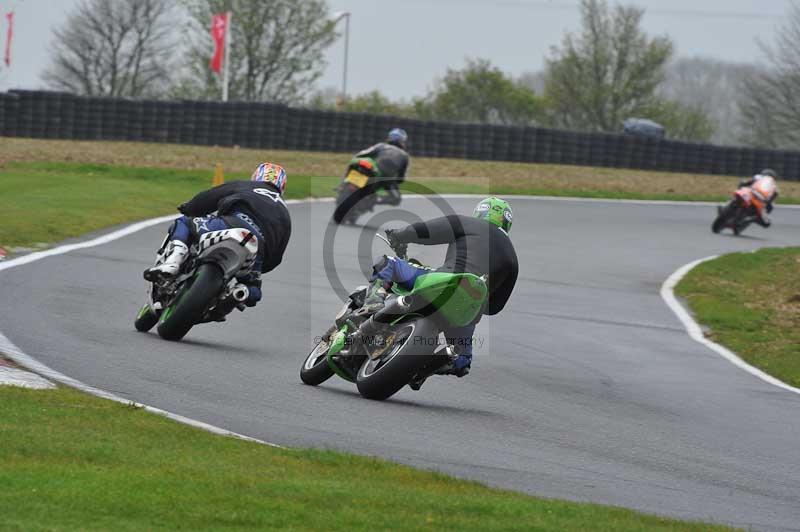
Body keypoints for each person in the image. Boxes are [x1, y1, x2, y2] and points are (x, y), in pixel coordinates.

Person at [362, 197, 519, 379]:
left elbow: (426, 231)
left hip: (443, 281)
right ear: (507, 223)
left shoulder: (469, 224)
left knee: (388, 263)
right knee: (462, 360)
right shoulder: (512, 259)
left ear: (480, 213)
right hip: (466, 310)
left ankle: (374, 299)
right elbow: (495, 307)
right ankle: (422, 370)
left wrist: (399, 235)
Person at [144, 162, 292, 309]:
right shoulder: (285, 214)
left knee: (184, 222)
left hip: (230, 224)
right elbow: (276, 257)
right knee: (254, 291)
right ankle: (240, 293)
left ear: (256, 176)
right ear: (282, 186)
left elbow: (209, 197)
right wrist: (260, 267)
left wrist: (189, 208)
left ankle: (173, 261)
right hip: (256, 248)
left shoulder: (247, 186)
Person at [354, 128, 410, 206]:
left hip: (372, 172)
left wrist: (358, 158)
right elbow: (401, 177)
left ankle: (343, 187)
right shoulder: (404, 155)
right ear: (402, 140)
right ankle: (374, 200)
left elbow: (362, 154)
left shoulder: (381, 146)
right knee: (396, 199)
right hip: (385, 179)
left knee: (356, 166)